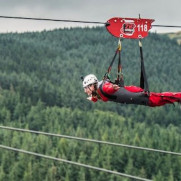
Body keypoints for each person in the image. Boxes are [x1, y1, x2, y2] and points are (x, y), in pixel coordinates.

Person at [82, 74, 181, 107]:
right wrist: (92, 98)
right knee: (156, 102)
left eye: (87, 88)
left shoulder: (103, 87)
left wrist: (113, 88)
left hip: (134, 94)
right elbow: (97, 97)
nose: (85, 91)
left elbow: (108, 88)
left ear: (93, 85)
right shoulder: (97, 92)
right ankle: (177, 98)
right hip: (132, 96)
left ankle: (179, 96)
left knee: (157, 99)